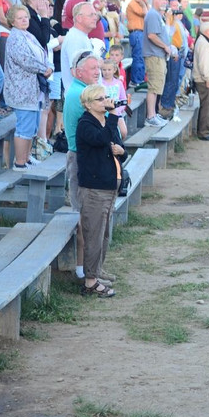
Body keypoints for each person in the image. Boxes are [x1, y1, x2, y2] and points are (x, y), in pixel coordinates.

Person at [74, 83, 123, 298]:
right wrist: (113, 117)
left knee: (103, 234)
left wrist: (122, 151)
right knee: (93, 235)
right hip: (94, 188)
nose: (105, 102)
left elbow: (117, 146)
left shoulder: (105, 121)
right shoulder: (85, 124)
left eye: (106, 97)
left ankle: (96, 271)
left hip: (109, 185)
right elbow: (101, 140)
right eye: (100, 99)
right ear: (87, 104)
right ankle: (90, 281)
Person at [64, 50, 101, 280]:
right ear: (79, 72)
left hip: (82, 157)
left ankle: (89, 268)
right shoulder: (80, 95)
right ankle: (83, 269)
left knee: (88, 214)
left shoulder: (82, 91)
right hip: (81, 159)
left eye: (98, 68)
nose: (97, 72)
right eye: (92, 69)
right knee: (85, 215)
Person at [3, 5, 52, 170]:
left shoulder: (27, 34)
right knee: (25, 127)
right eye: (20, 18)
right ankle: (20, 162)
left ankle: (28, 157)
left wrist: (47, 65)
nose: (24, 20)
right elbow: (24, 59)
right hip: (22, 89)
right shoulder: (15, 37)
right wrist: (44, 68)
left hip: (33, 88)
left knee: (33, 126)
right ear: (12, 21)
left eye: (26, 17)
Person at [142, 0, 174, 127]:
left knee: (158, 86)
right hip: (154, 55)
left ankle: (154, 114)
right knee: (154, 87)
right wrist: (165, 47)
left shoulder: (157, 15)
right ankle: (150, 116)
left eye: (166, 0)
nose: (165, 2)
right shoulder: (153, 15)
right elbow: (152, 35)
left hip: (158, 55)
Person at [125, 0, 150, 89]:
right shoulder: (133, 3)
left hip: (141, 33)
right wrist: (144, 5)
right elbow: (146, 14)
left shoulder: (143, 3)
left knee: (141, 57)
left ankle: (140, 79)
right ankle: (136, 80)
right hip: (136, 32)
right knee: (138, 57)